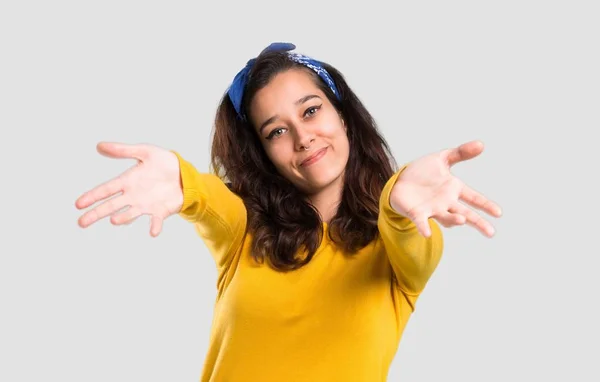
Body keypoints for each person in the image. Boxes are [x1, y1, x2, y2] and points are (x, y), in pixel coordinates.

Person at [75, 42, 502, 381]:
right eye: (276, 130)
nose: (302, 137)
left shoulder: (399, 249)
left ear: (344, 117)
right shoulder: (244, 231)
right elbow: (207, 198)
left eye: (311, 110)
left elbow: (406, 231)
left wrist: (398, 200)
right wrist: (182, 181)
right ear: (263, 153)